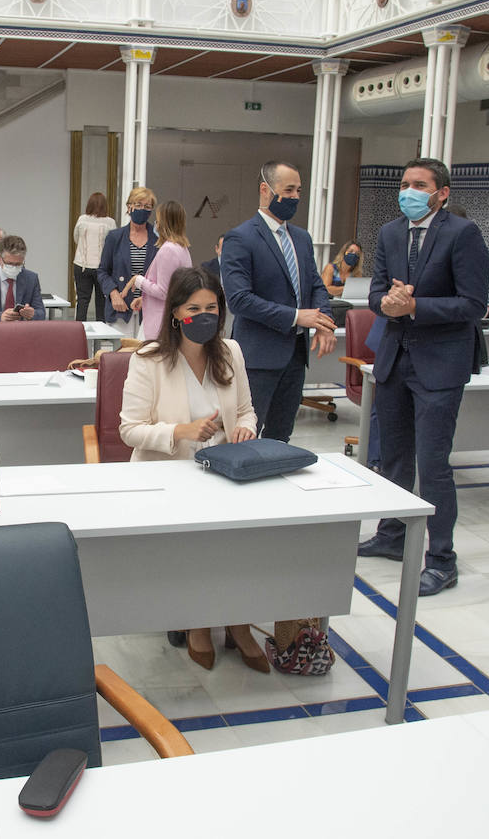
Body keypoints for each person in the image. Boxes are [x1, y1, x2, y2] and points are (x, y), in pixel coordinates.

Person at [118, 266, 263, 672]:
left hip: (226, 472)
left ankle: (237, 620)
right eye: (194, 308)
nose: (204, 316)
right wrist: (181, 430)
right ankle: (198, 622)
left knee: (249, 536)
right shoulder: (149, 359)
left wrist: (245, 429)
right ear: (176, 313)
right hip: (169, 476)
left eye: (212, 307)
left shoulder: (230, 351)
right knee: (200, 537)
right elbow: (129, 430)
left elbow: (248, 411)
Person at [357, 157, 489, 598]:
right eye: (405, 183)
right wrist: (388, 304)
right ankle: (391, 535)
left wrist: (417, 307)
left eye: (419, 184)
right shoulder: (390, 233)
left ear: (441, 193)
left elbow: (473, 305)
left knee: (433, 466)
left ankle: (442, 559)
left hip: (440, 362)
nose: (409, 191)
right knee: (393, 458)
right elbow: (376, 292)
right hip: (396, 357)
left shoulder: (462, 234)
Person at [220, 161, 335, 442]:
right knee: (244, 436)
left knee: (281, 436)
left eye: (299, 190)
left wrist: (324, 322)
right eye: (288, 190)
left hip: (295, 356)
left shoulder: (302, 238)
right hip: (258, 358)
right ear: (265, 190)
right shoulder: (240, 238)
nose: (295, 197)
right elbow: (239, 300)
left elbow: (316, 285)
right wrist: (297, 317)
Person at [97, 187, 158, 336]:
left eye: (147, 206)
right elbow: (102, 271)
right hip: (121, 308)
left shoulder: (158, 240)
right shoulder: (114, 237)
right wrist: (113, 293)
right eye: (138, 205)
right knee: (120, 355)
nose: (142, 209)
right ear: (129, 207)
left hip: (149, 310)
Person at [133, 200, 191, 340]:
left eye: (158, 221)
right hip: (169, 321)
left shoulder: (168, 250)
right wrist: (145, 298)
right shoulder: (182, 249)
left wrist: (139, 281)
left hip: (160, 324)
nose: (155, 225)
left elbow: (164, 291)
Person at [72, 192, 116, 321]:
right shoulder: (110, 222)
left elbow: (76, 238)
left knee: (82, 300)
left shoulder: (82, 219)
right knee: (101, 300)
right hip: (102, 268)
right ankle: (101, 333)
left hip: (81, 265)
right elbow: (112, 245)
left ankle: (78, 330)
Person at [0, 234, 45, 321]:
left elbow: (41, 313)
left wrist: (32, 314)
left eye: (18, 264)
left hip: (21, 331)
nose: (14, 267)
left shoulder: (31, 279)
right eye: (10, 263)